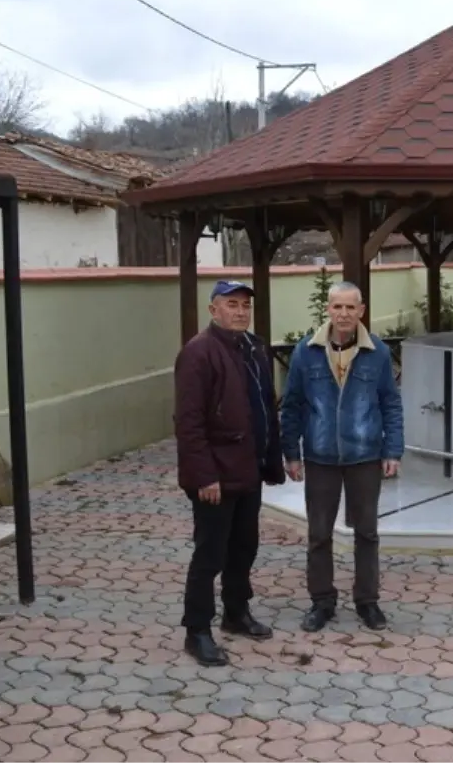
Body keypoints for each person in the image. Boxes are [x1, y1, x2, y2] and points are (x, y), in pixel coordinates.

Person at [279, 281, 403, 633]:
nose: (344, 314)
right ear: (328, 309)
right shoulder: (306, 351)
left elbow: (391, 403)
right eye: (338, 307)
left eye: (351, 307)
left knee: (367, 532)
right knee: (319, 533)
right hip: (320, 457)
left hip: (365, 456)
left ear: (361, 310)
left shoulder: (377, 352)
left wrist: (392, 449)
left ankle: (368, 602)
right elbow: (292, 405)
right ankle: (322, 601)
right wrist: (291, 453)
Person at [174, 279, 285, 666]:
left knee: (244, 547)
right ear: (213, 310)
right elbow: (188, 423)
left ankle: (236, 613)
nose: (240, 311)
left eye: (244, 305)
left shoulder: (254, 348)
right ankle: (197, 631)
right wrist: (204, 476)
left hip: (248, 470)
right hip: (215, 477)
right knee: (210, 554)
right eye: (231, 304)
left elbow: (265, 407)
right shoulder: (198, 353)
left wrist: (273, 459)